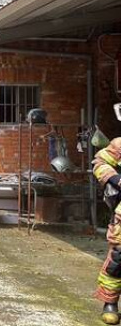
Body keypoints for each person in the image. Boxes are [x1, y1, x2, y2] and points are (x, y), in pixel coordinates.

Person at [93, 106, 121, 325]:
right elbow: (100, 162)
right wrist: (113, 179)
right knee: (118, 261)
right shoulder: (119, 144)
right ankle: (110, 302)